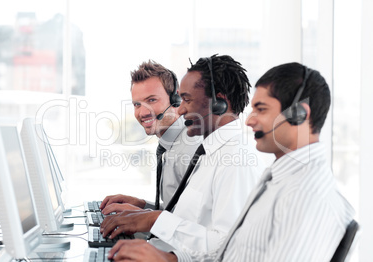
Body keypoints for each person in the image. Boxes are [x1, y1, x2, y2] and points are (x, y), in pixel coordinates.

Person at [104, 62, 355, 262]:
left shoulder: (303, 196)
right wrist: (169, 258)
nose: (248, 120)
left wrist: (157, 230)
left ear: (300, 114)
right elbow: (229, 248)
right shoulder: (276, 179)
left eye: (262, 109)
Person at [100, 54, 263, 259]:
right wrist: (144, 214)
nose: (181, 109)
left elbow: (231, 246)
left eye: (186, 99)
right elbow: (190, 224)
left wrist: (156, 226)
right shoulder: (209, 153)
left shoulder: (236, 160)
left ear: (219, 103)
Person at [100, 60, 202, 212]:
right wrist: (140, 205)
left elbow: (192, 224)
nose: (143, 112)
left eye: (152, 100)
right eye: (137, 104)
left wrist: (141, 216)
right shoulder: (170, 145)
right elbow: (175, 211)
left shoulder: (190, 147)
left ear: (176, 100)